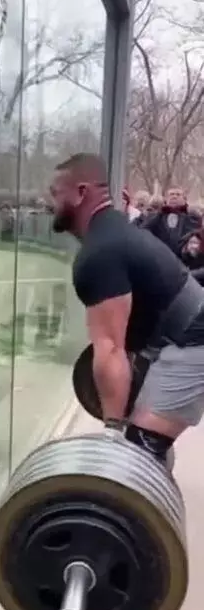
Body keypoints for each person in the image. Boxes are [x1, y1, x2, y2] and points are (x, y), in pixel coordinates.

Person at [47, 152, 204, 463]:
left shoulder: (99, 254)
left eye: (54, 193)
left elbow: (110, 349)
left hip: (194, 341)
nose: (47, 202)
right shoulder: (117, 231)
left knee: (135, 454)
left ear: (81, 193)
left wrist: (112, 432)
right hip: (180, 336)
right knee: (138, 447)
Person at [138, 185, 200, 255]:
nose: (174, 197)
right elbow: (143, 231)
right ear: (166, 199)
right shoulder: (156, 217)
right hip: (161, 257)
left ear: (184, 199)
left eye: (178, 194)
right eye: (171, 194)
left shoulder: (192, 217)